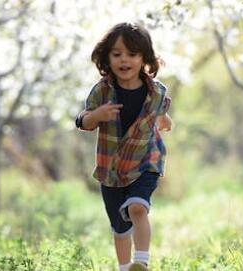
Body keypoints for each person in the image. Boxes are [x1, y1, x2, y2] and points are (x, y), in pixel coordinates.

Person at [75, 22, 172, 271]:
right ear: (107, 58)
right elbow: (82, 121)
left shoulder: (157, 91)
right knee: (120, 228)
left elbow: (158, 111)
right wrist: (97, 115)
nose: (124, 60)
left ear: (144, 58)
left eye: (131, 54)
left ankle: (141, 263)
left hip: (146, 161)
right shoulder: (101, 92)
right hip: (112, 168)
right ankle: (123, 267)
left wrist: (164, 119)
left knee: (138, 207)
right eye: (117, 54)